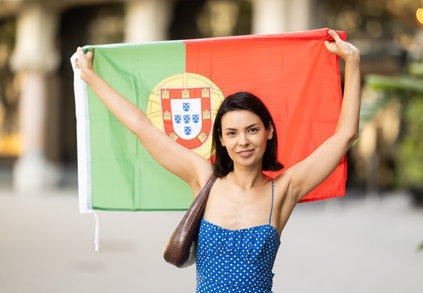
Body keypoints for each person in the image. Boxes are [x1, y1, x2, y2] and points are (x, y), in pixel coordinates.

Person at [75, 29, 360, 292]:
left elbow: (345, 135)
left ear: (269, 131)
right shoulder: (203, 177)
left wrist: (354, 62)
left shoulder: (285, 189)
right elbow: (141, 126)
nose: (243, 141)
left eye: (252, 130)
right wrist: (90, 77)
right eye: (232, 133)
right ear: (221, 140)